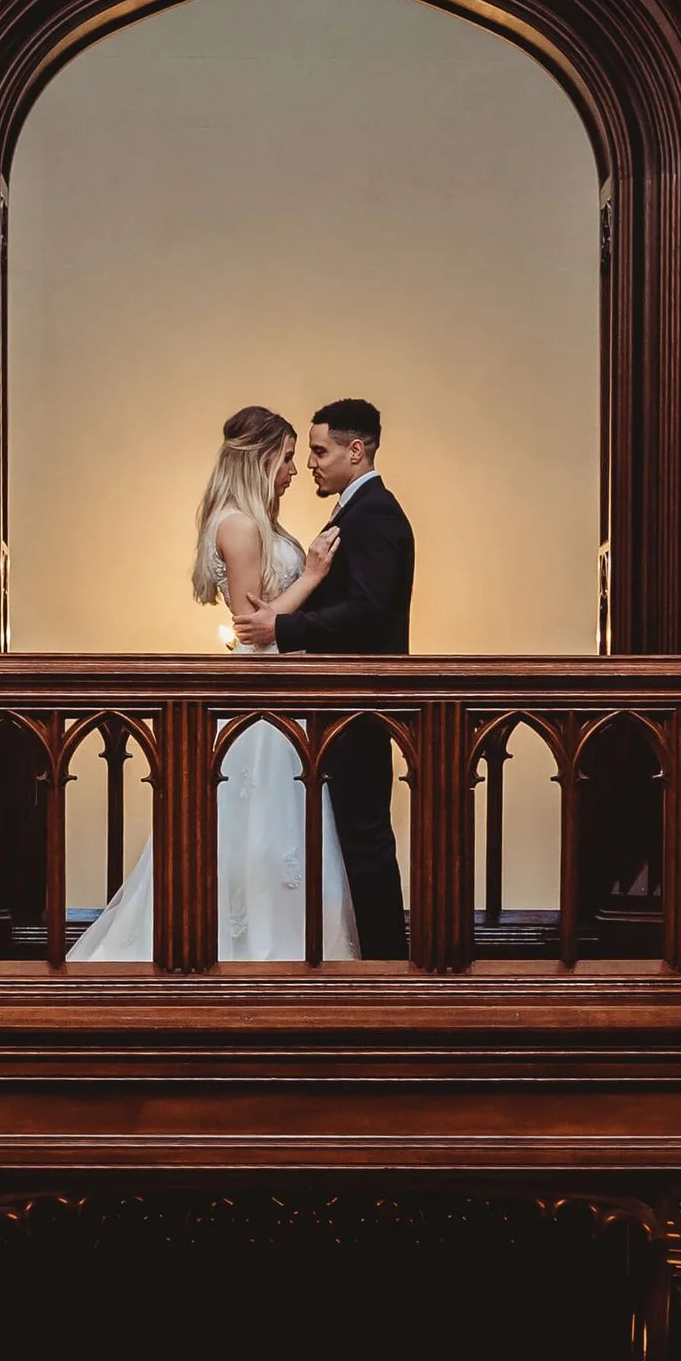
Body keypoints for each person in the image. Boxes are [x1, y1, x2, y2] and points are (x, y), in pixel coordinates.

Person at [67, 405, 358, 961]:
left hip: (284, 689)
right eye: (288, 458)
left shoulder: (255, 522)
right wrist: (316, 575)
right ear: (262, 456)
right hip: (261, 692)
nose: (294, 472)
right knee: (258, 826)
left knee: (278, 829)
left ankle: (285, 944)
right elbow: (257, 627)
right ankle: (253, 949)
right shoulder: (240, 525)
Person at [236, 398, 414, 960]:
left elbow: (368, 610)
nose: (310, 463)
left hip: (361, 700)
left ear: (355, 450)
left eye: (320, 450)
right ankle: (373, 955)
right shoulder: (354, 510)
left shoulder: (376, 514)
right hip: (342, 699)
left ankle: (386, 963)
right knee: (355, 836)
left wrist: (283, 628)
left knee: (364, 837)